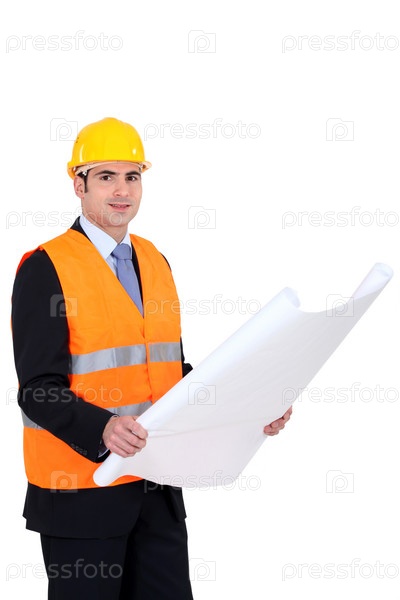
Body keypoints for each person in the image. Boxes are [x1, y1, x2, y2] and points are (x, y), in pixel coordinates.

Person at [11, 116, 292, 599]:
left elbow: (171, 377)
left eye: (132, 177)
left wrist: (250, 409)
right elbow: (36, 390)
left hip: (157, 489)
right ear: (78, 184)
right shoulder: (46, 267)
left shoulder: (155, 261)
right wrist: (102, 427)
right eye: (106, 176)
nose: (122, 191)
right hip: (80, 498)